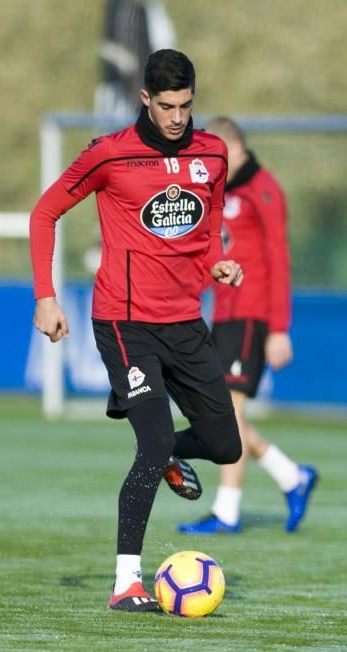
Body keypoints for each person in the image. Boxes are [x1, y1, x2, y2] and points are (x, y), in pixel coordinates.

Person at [29, 50, 243, 613]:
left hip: (184, 321)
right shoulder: (110, 154)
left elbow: (210, 225)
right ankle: (127, 583)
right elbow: (44, 213)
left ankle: (167, 446)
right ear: (145, 99)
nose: (177, 117)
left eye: (187, 104)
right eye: (167, 105)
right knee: (150, 442)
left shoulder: (213, 154)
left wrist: (218, 262)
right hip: (124, 322)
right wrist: (45, 297)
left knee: (226, 445)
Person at [177, 117, 318, 536]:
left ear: (235, 149)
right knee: (220, 413)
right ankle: (292, 477)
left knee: (227, 413)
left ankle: (228, 511)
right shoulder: (218, 193)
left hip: (253, 315)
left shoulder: (264, 188)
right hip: (224, 315)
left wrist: (279, 327)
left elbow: (278, 258)